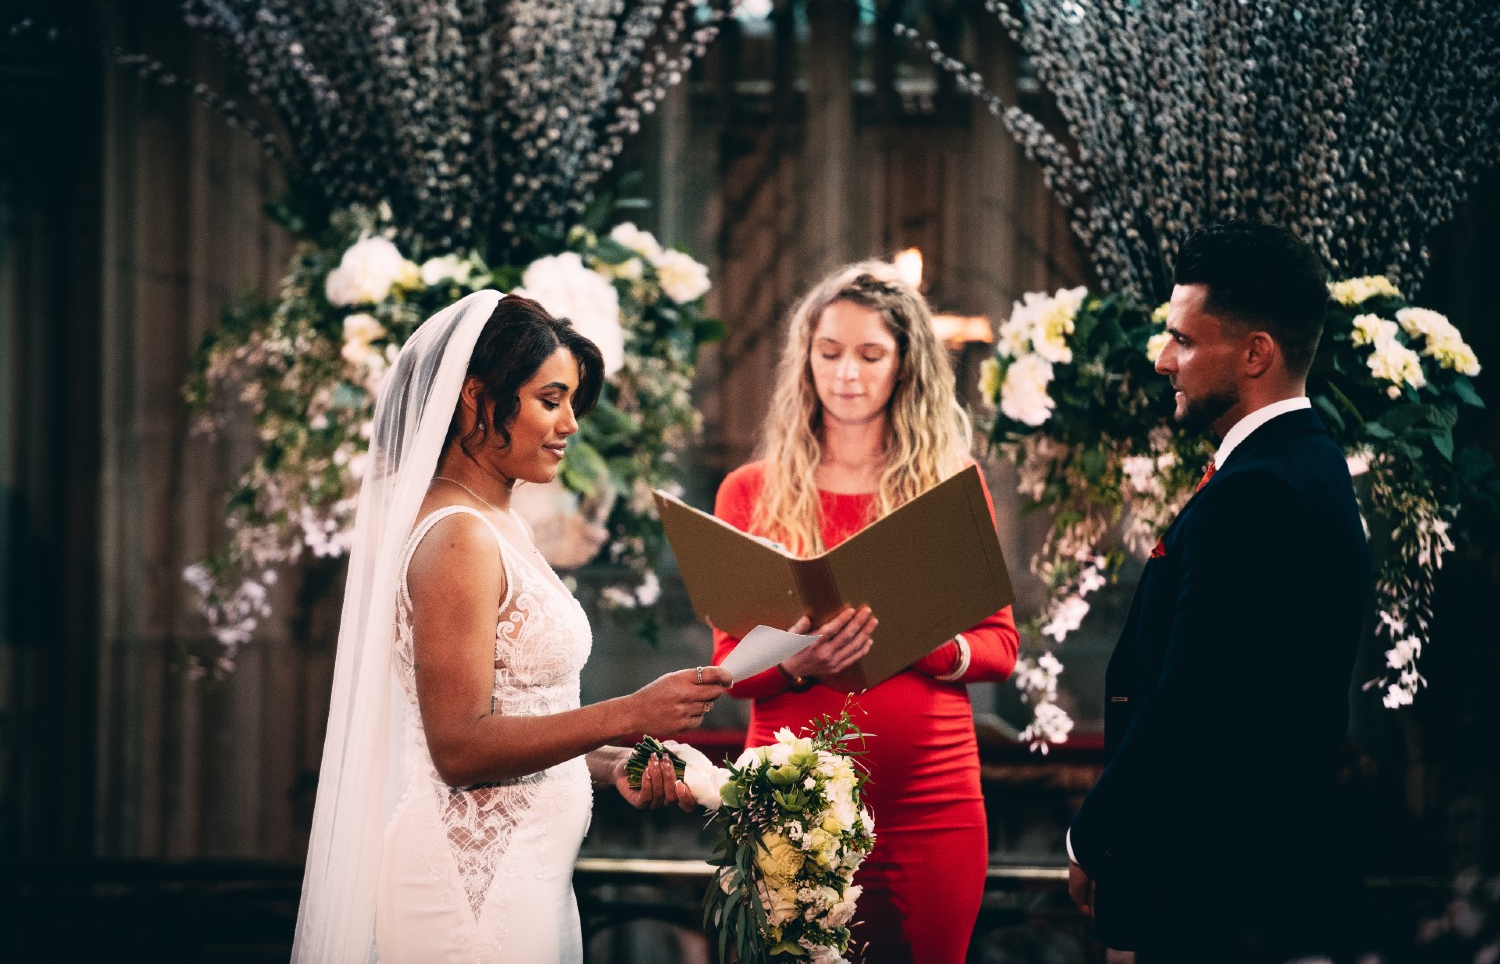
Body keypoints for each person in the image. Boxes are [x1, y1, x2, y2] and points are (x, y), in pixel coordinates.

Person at [292, 290, 732, 964]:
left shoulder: (499, 522)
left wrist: (612, 762)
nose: (570, 425)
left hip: (524, 876)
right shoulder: (457, 536)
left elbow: (521, 717)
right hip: (469, 888)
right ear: (475, 398)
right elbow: (458, 746)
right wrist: (630, 713)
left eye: (571, 403)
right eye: (550, 400)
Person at [1066, 221, 1369, 961]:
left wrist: (1093, 833)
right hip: (1256, 880)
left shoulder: (1257, 492)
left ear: (1256, 353)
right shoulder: (1309, 462)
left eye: (1184, 339)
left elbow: (1196, 700)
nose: (1163, 359)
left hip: (1222, 890)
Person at [710, 262, 1020, 964]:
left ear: (905, 365)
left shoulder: (949, 486)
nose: (846, 373)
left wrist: (926, 644)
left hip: (931, 803)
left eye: (870, 355)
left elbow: (1000, 647)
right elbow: (728, 668)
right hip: (791, 802)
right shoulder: (750, 491)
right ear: (806, 360)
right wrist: (797, 661)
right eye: (829, 353)